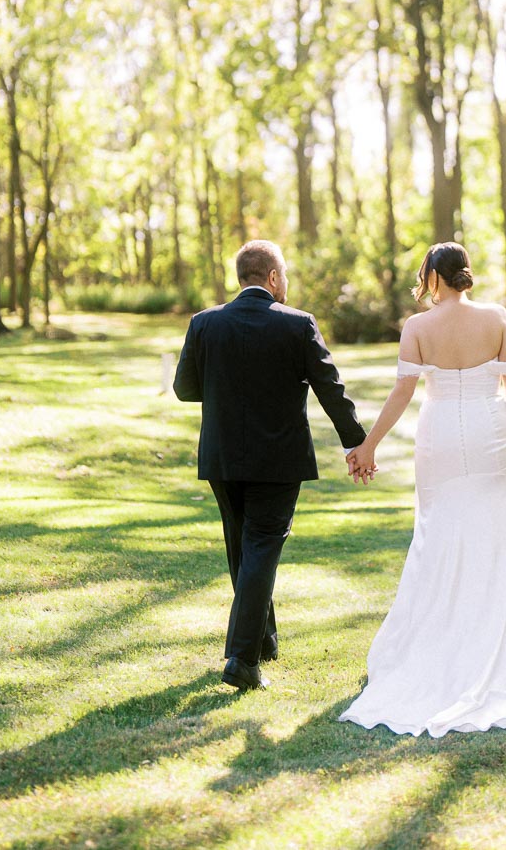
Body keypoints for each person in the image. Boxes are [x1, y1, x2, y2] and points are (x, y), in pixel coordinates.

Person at [340, 241, 506, 736]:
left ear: (432, 277)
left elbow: (403, 391)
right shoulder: (498, 318)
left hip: (440, 431)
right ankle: (490, 641)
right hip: (489, 430)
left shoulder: (417, 327)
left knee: (437, 530)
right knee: (494, 534)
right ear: (463, 274)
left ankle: (435, 642)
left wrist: (369, 445)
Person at [174, 239, 367, 692]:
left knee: (243, 548)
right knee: (260, 547)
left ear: (241, 278)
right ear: (274, 278)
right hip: (278, 458)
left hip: (222, 456)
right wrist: (356, 443)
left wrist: (229, 387)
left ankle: (263, 641)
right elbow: (330, 389)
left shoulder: (205, 324)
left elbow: (185, 388)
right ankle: (242, 659)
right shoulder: (299, 325)